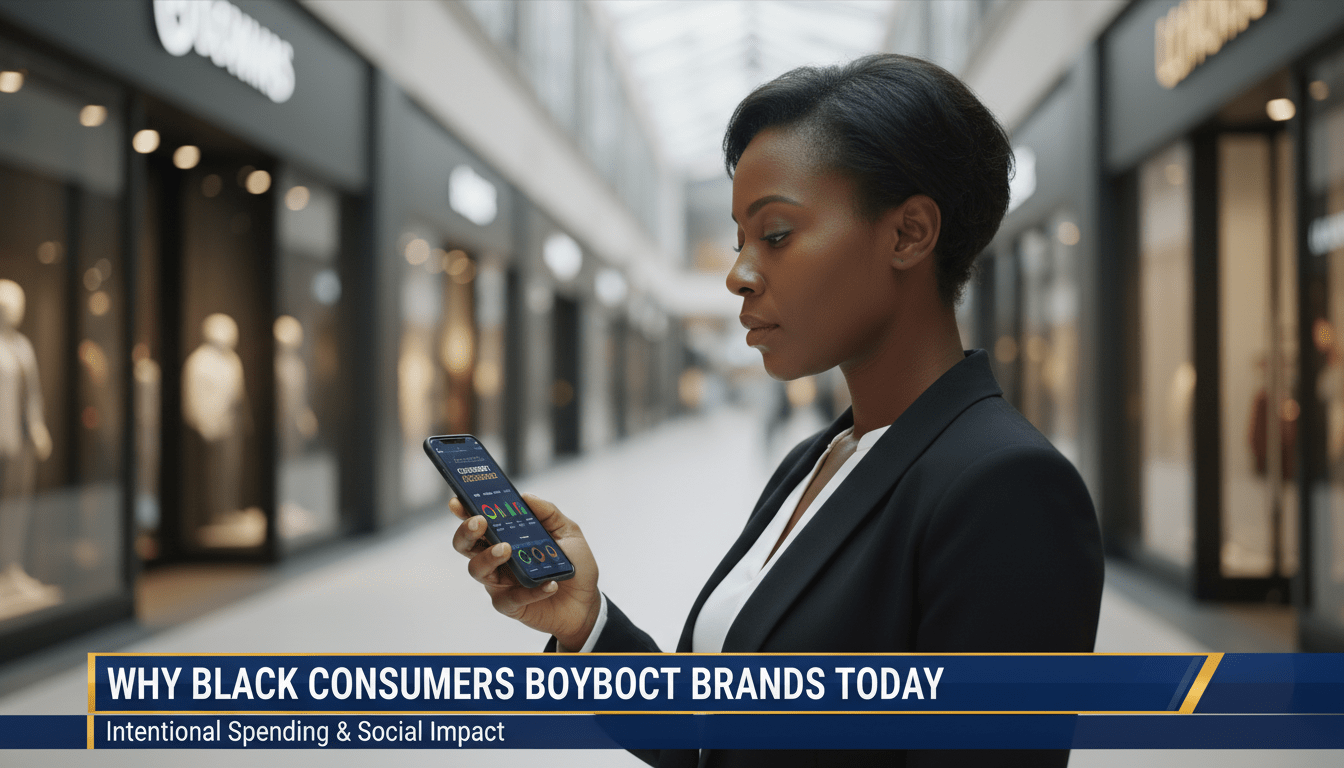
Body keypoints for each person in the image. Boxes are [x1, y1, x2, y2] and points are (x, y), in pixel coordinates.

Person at [450, 54, 1104, 767]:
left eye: (777, 234)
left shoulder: (1006, 490)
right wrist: (587, 625)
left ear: (909, 233)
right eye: (737, 240)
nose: (737, 274)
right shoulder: (819, 460)